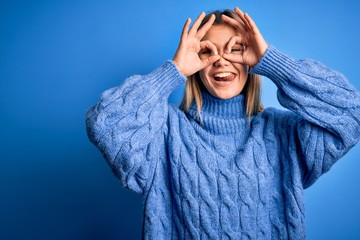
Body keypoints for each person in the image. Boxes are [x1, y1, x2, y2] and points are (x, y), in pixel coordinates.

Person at [86, 7, 360, 239]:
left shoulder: (283, 133)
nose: (221, 61)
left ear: (251, 61)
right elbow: (104, 124)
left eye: (235, 50)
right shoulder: (164, 132)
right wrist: (174, 71)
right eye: (207, 53)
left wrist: (273, 63)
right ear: (196, 65)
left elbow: (350, 113)